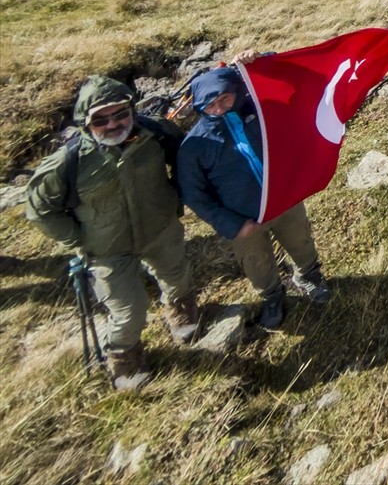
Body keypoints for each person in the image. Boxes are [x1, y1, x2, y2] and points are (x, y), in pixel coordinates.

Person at [25, 76, 197, 389]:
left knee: (176, 274)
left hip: (160, 227)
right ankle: (124, 359)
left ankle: (180, 311)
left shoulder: (156, 133)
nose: (113, 123)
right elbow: (38, 210)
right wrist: (78, 239)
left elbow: (186, 160)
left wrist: (178, 196)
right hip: (107, 249)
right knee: (129, 310)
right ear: (85, 122)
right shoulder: (67, 161)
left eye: (120, 113)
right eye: (101, 118)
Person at [178, 63, 331, 330]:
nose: (218, 109)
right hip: (241, 218)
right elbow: (194, 194)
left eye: (224, 98)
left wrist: (260, 60)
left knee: (301, 240)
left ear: (236, 91)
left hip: (284, 198)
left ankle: (309, 276)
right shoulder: (194, 145)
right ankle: (272, 296)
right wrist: (232, 225)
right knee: (256, 262)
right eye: (209, 105)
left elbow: (288, 77)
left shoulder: (260, 112)